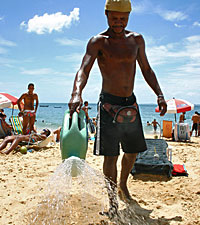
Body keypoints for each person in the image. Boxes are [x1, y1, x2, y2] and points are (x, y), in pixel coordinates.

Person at [68, 0, 167, 215]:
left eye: (123, 19)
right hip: (108, 105)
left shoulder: (137, 40)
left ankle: (123, 184)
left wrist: (159, 94)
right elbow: (83, 69)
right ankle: (112, 200)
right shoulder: (98, 42)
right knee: (110, 156)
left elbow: (147, 70)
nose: (118, 23)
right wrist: (77, 93)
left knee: (132, 153)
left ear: (129, 17)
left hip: (130, 103)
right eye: (114, 18)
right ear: (106, 15)